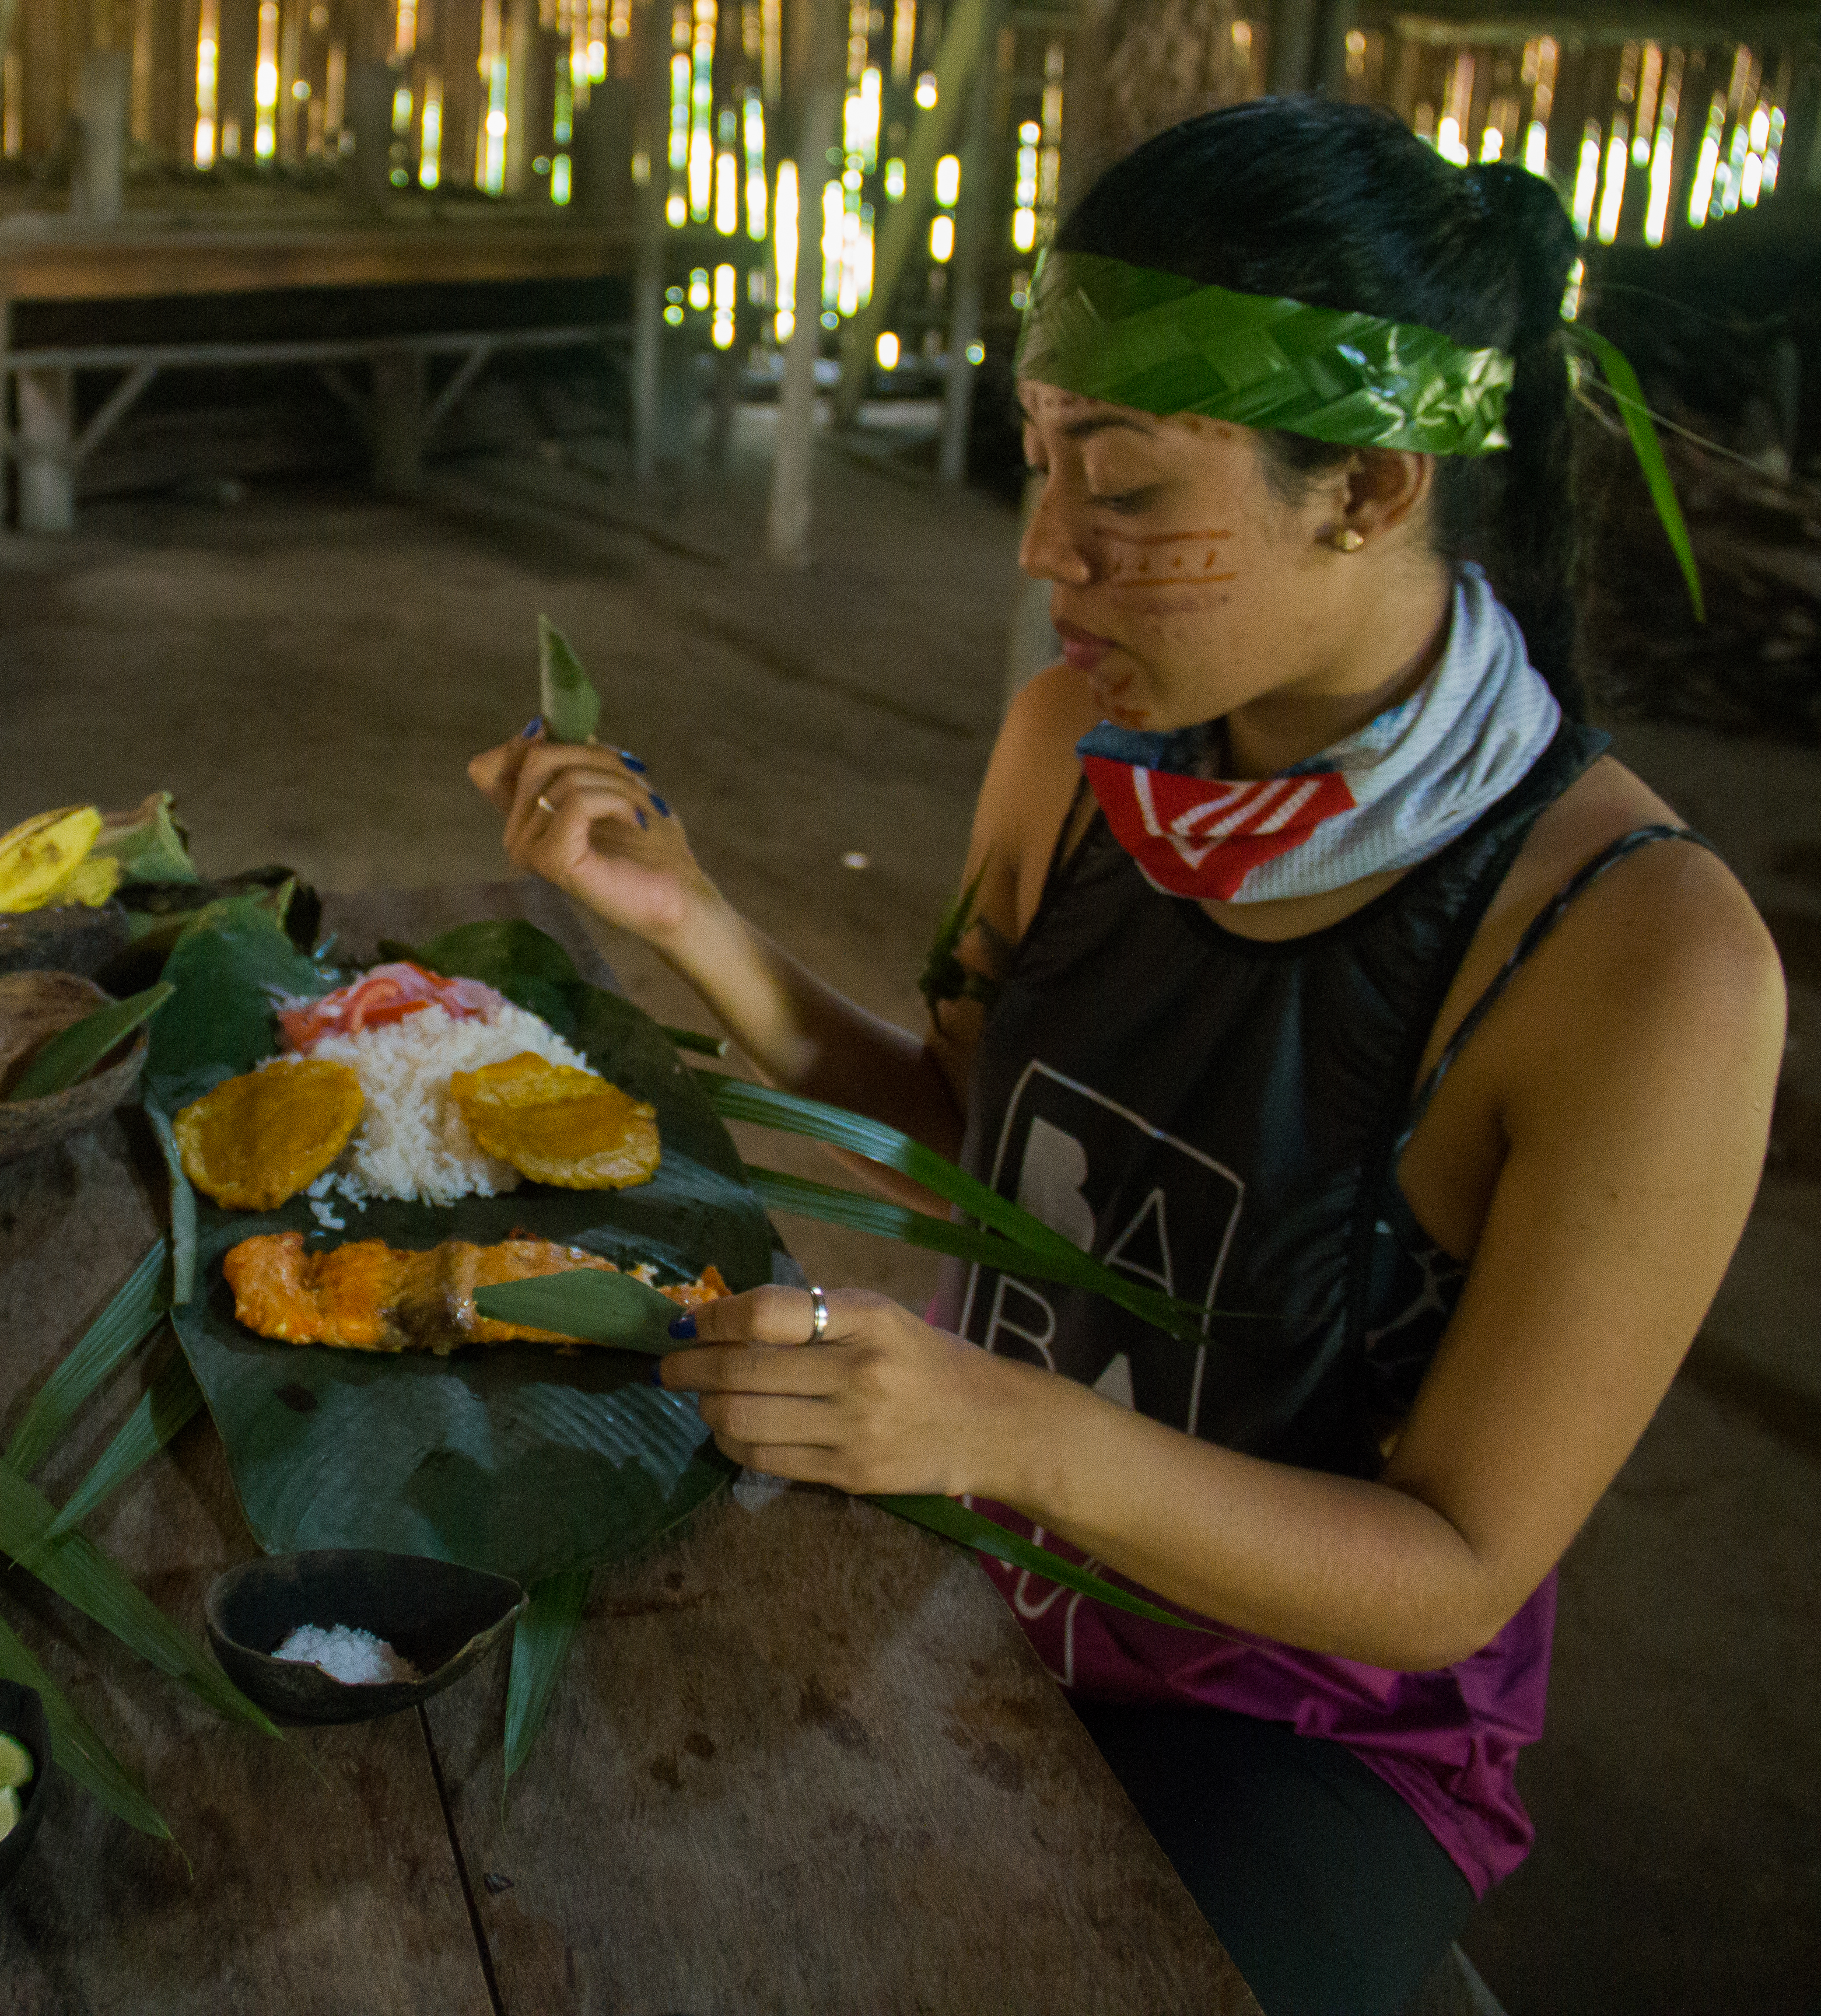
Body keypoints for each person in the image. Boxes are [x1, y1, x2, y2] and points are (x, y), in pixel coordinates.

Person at [467, 97, 1783, 2016]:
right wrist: (687, 921)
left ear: (1374, 489)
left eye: (1133, 489)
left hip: (1309, 1727)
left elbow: (1459, 1570)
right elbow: (977, 1140)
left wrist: (1010, 1431)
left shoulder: (1640, 964)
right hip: (992, 1553)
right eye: (1043, 462)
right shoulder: (1078, 759)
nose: (1045, 549)